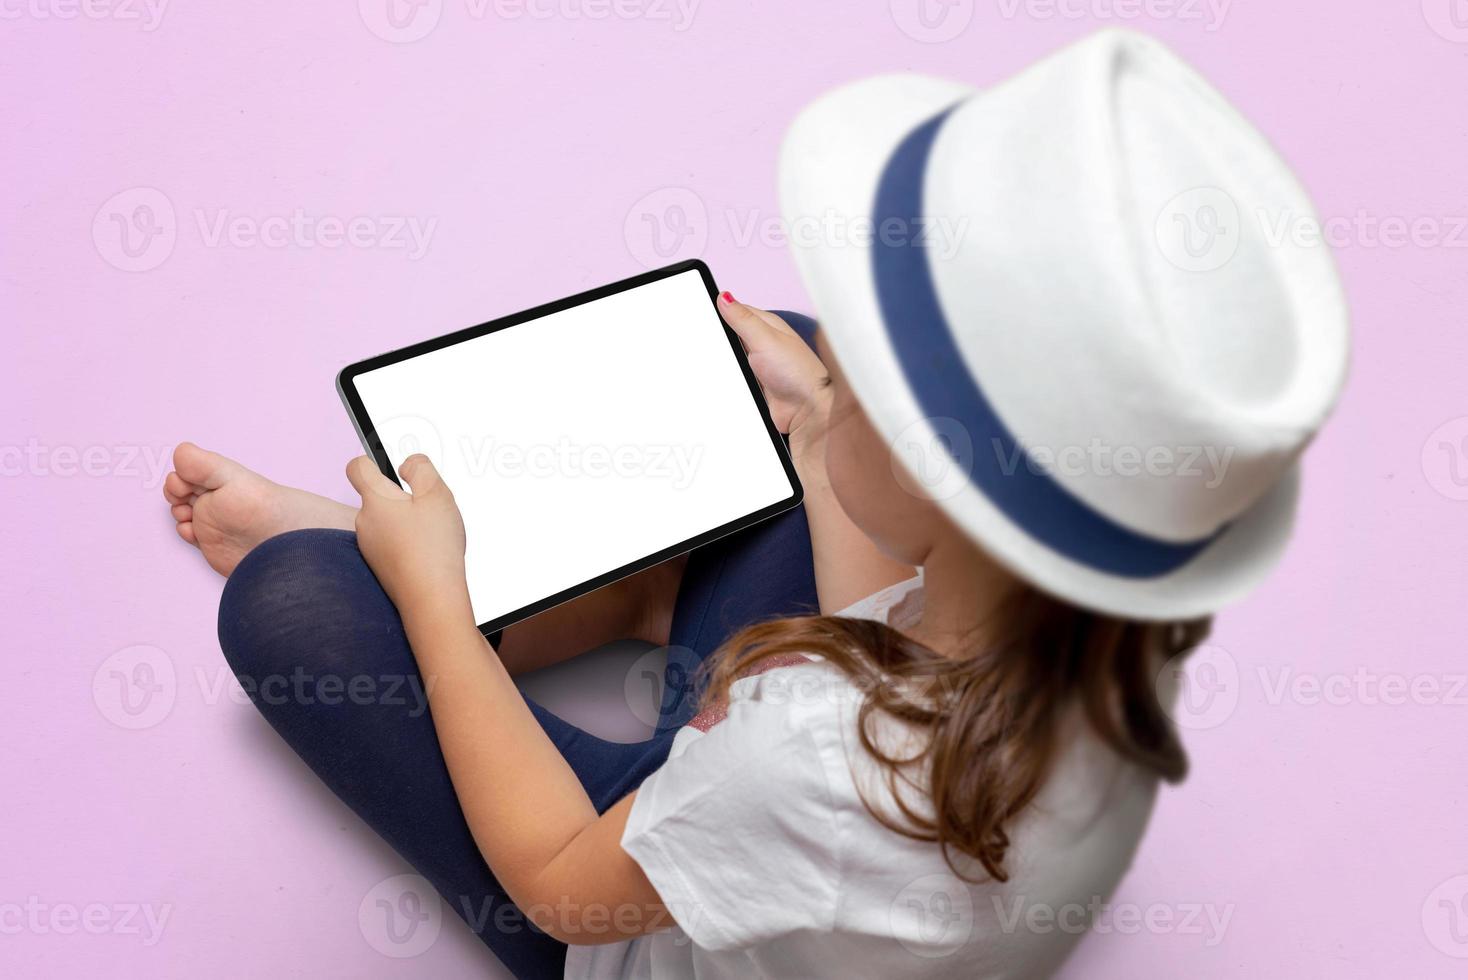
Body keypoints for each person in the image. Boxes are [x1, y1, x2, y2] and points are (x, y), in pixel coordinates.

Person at [163, 30, 1348, 980]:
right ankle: (636, 591)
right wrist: (830, 415)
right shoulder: (1114, 635)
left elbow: (563, 887)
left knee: (293, 601)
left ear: (948, 472)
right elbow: (900, 620)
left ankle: (416, 562)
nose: (861, 386)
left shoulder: (808, 753)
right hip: (806, 835)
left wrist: (429, 598)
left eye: (892, 391)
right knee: (797, 364)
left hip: (646, 887)